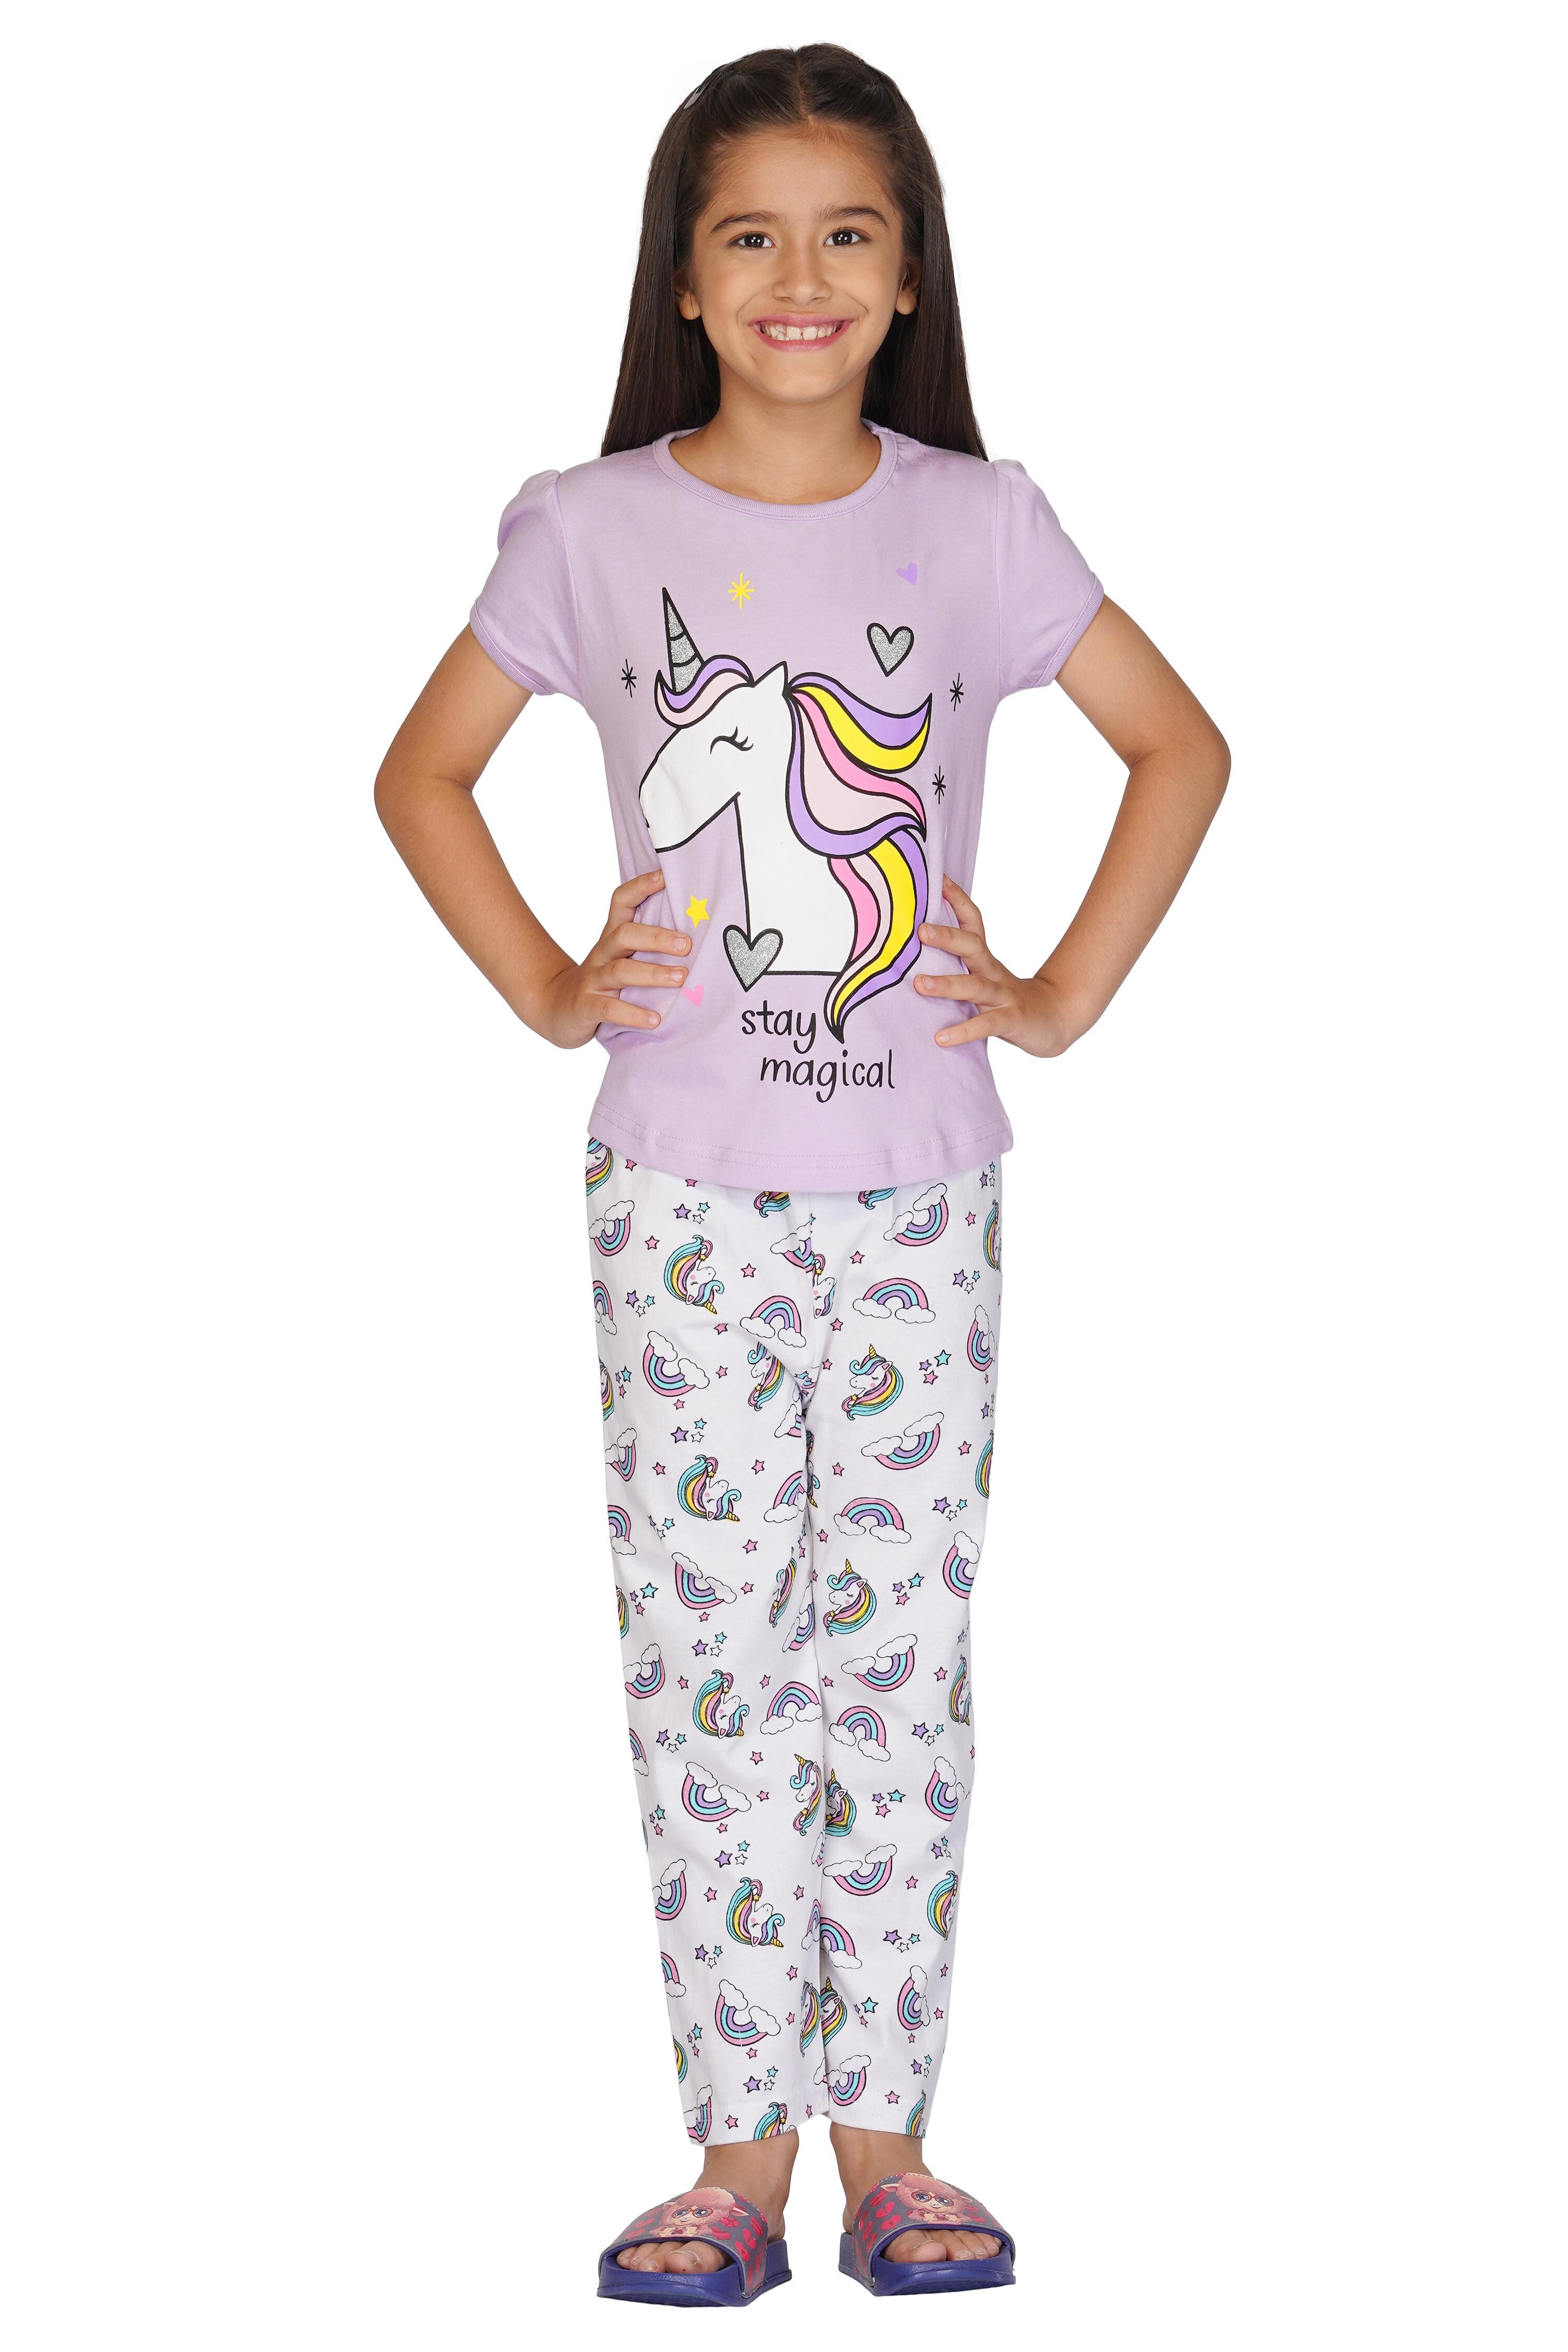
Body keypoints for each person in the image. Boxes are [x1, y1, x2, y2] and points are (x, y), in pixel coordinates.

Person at [375, 42, 1228, 2308]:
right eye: (750, 233)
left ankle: (894, 2147)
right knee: (711, 1659)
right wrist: (553, 983)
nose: (800, 274)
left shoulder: (983, 524)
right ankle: (738, 2156)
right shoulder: (589, 529)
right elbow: (422, 776)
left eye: (848, 232)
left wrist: (1055, 992)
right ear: (683, 278)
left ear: (910, 275)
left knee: (899, 1664)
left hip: (923, 1188)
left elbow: (1180, 745)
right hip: (680, 1190)